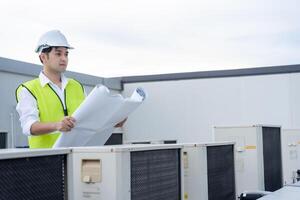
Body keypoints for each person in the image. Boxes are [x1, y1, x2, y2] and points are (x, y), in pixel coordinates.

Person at [16, 30, 125, 148]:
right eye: (58, 54)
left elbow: (89, 119)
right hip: (44, 161)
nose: (64, 58)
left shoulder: (76, 86)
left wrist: (112, 122)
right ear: (43, 57)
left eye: (66, 54)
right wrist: (57, 125)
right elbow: (29, 126)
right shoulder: (28, 89)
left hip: (76, 157)